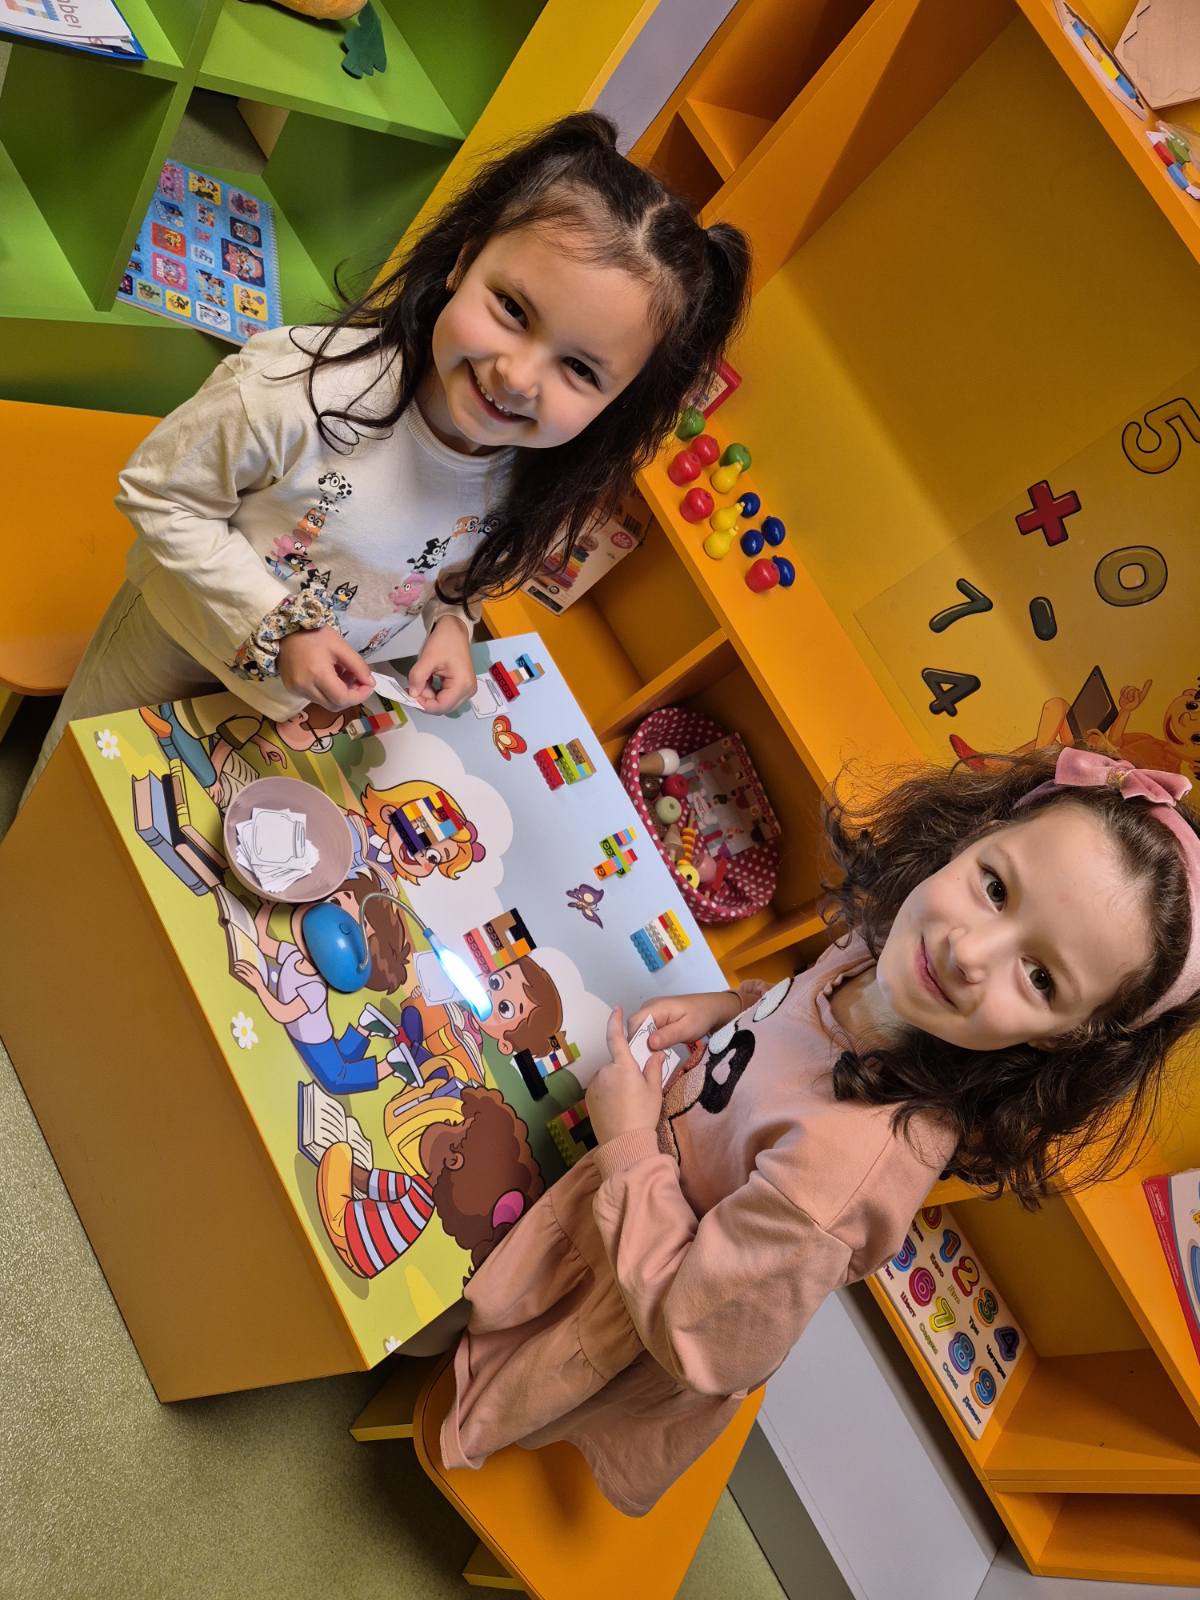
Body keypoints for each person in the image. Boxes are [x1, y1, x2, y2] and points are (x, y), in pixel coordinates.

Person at [440, 746, 1200, 1516]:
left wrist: (631, 1148)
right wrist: (731, 1008)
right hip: (615, 1187)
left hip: (626, 1288)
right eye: (996, 888)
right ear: (979, 833)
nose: (968, 952)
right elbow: (799, 1013)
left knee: (441, 1340)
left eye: (1040, 977)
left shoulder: (845, 1175)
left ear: (1069, 1035)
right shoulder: (888, 954)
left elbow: (697, 1336)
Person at [24, 112, 749, 796]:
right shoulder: (297, 389)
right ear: (464, 261)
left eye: (581, 370)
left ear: (616, 402)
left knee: (173, 829)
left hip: (300, 699)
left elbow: (456, 570)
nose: (518, 377)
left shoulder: (532, 472)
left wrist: (451, 626)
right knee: (78, 792)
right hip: (175, 639)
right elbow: (159, 494)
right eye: (513, 309)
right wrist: (281, 627)